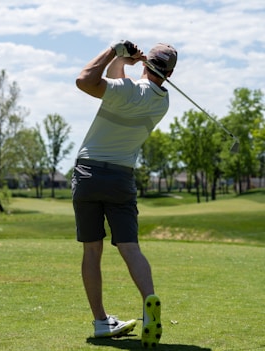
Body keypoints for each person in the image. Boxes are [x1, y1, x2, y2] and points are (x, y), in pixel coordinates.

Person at [72, 40, 177, 348]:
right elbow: (122, 84)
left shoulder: (126, 91)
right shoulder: (162, 101)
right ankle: (149, 304)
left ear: (146, 64)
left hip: (89, 173)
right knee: (130, 247)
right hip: (121, 178)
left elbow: (84, 80)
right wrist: (123, 61)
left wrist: (111, 50)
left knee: (92, 250)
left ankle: (101, 322)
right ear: (168, 74)